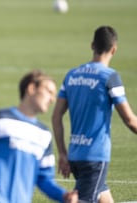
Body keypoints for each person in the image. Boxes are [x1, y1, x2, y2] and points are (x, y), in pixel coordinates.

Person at [0, 70, 78, 203]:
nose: (52, 99)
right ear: (32, 88)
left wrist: (63, 195)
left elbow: (44, 179)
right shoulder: (1, 120)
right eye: (49, 92)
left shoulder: (44, 135)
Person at [52, 25, 137, 203]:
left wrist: (62, 153)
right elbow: (129, 119)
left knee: (103, 196)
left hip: (75, 155)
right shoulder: (110, 77)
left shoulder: (72, 75)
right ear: (114, 49)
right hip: (95, 158)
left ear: (92, 45)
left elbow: (56, 116)